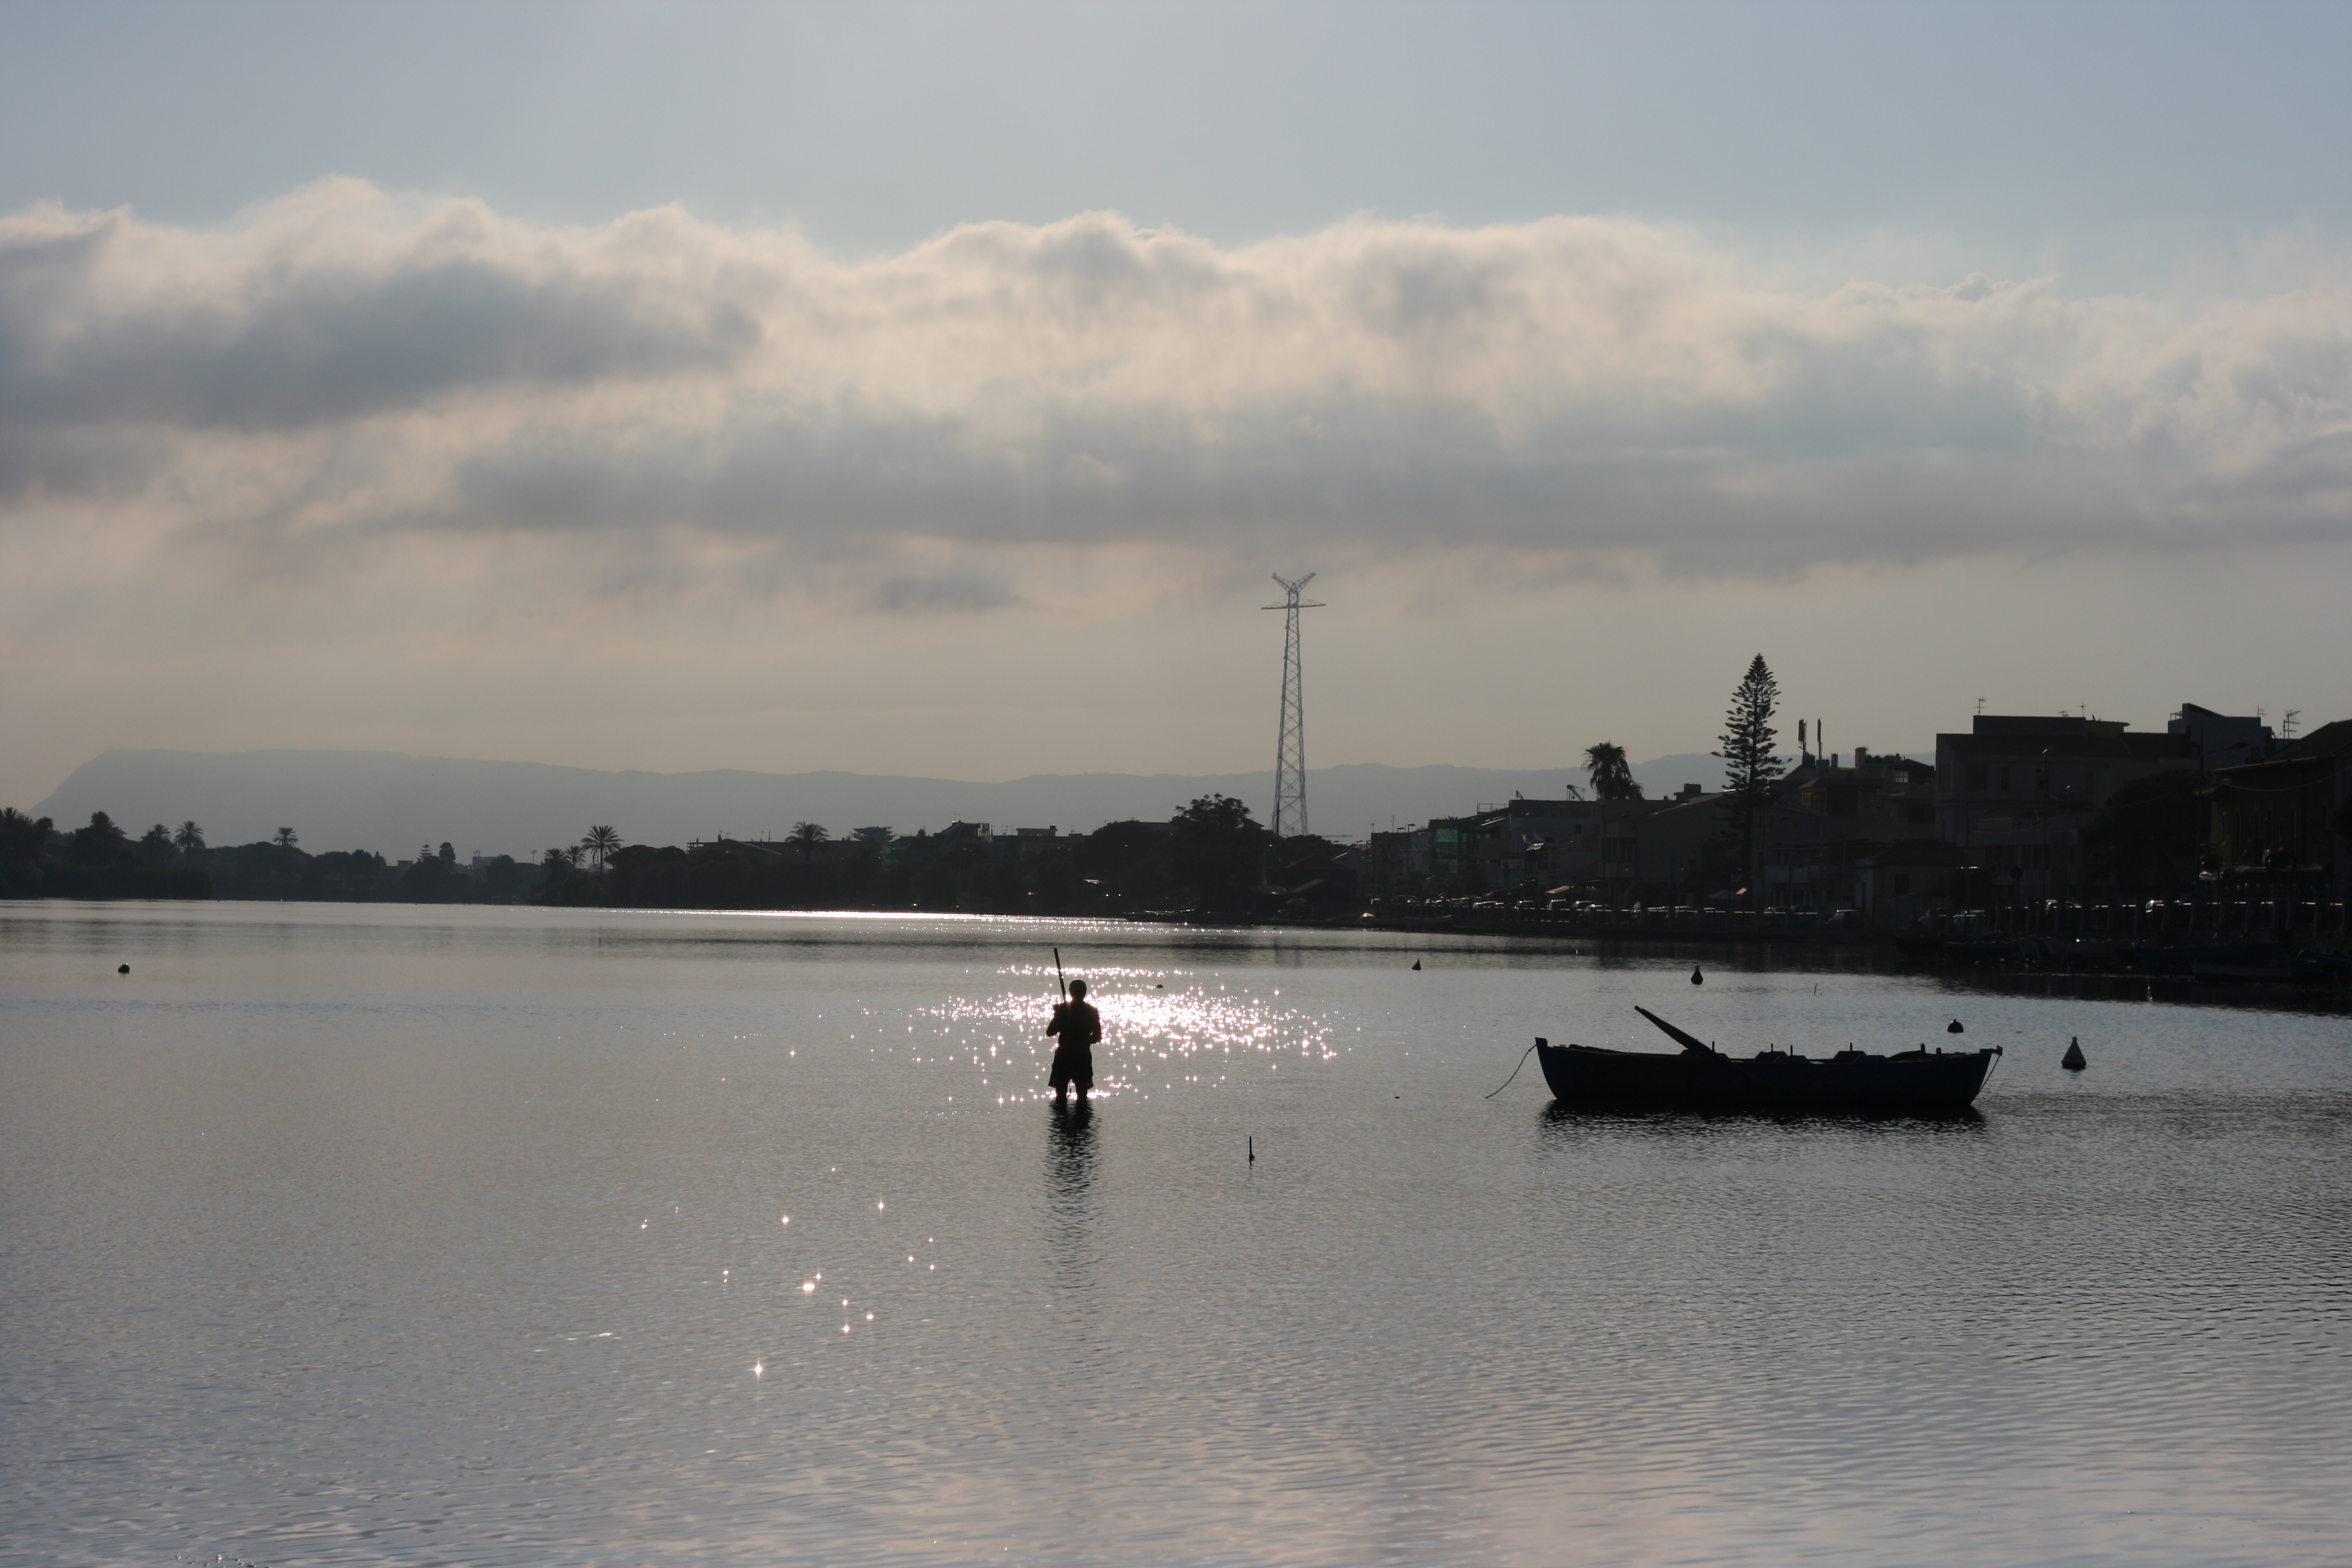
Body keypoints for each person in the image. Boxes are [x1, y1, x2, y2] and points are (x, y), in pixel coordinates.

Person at [1047, 979, 1102, 1104]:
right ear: (1085, 992)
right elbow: (1097, 1037)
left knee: (1061, 1094)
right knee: (1082, 1094)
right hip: (1081, 1055)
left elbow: (1050, 1032)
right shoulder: (1091, 1012)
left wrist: (1058, 1017)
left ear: (1070, 992)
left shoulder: (1063, 1010)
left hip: (1065, 1055)